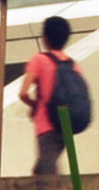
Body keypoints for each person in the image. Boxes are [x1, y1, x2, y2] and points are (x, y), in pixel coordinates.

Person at [21, 14, 77, 176]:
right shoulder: (72, 65)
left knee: (44, 172)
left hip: (46, 124)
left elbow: (23, 93)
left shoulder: (39, 60)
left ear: (45, 37)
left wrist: (35, 105)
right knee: (46, 167)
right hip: (66, 123)